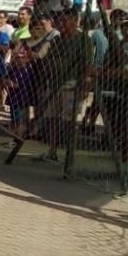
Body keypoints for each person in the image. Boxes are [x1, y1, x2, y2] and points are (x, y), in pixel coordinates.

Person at [37, 9, 95, 162]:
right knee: (53, 118)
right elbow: (49, 61)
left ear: (75, 21)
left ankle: (70, 154)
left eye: (65, 21)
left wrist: (85, 86)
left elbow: (87, 66)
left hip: (73, 84)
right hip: (55, 84)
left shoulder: (83, 40)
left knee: (70, 120)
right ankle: (53, 150)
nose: (61, 24)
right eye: (60, 21)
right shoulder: (57, 40)